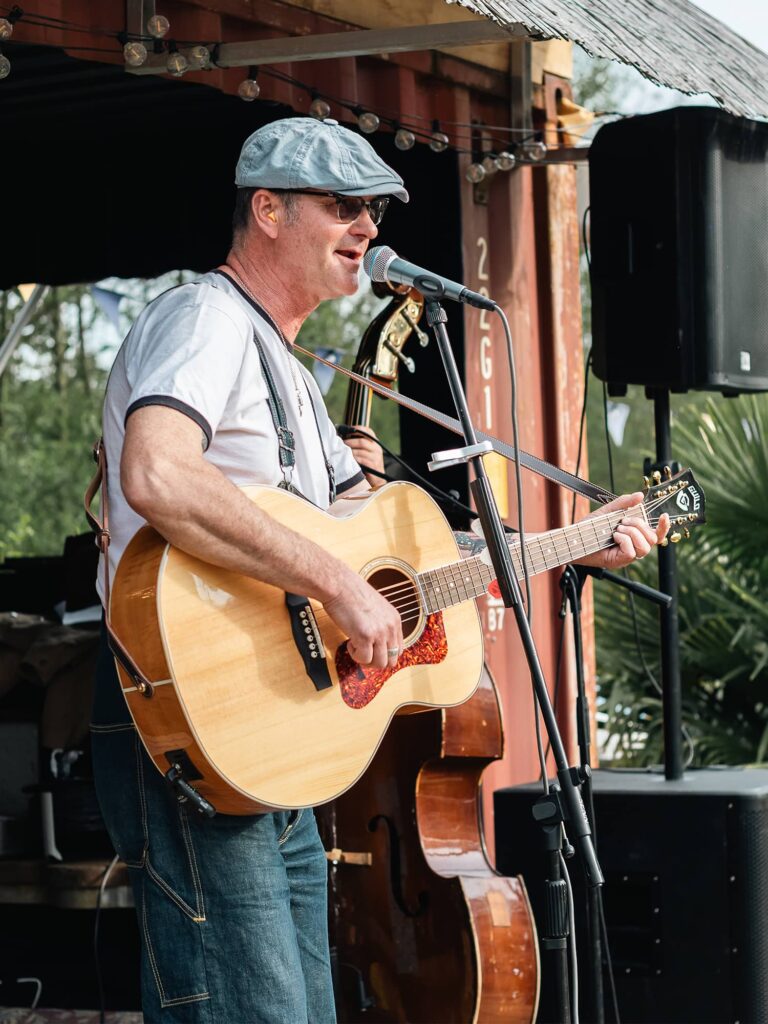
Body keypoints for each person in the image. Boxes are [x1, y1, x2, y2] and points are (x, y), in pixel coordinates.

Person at [90, 116, 668, 1024]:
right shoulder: (205, 318)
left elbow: (395, 560)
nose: (367, 227)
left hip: (272, 737)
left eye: (375, 211)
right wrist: (337, 583)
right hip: (185, 709)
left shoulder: (289, 370)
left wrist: (569, 544)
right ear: (268, 211)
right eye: (343, 205)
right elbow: (158, 471)